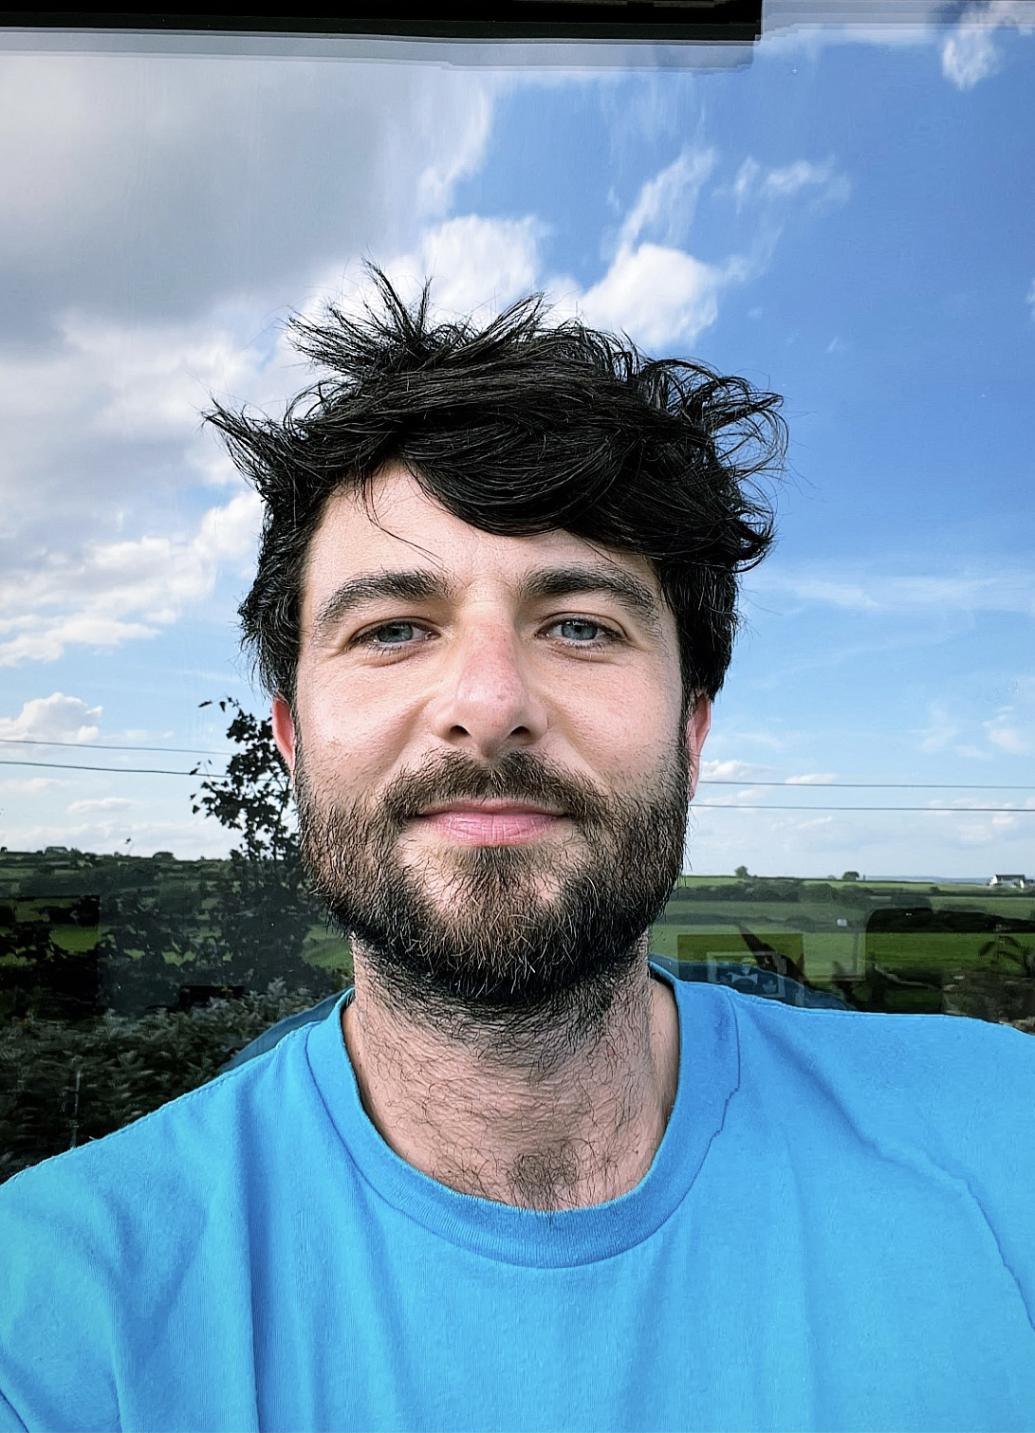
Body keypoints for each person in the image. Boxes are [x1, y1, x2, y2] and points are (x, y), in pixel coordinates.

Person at [1, 268, 1033, 1433]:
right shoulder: (54, 1308)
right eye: (392, 628)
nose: (488, 703)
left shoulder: (1009, 1141)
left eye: (580, 624)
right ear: (290, 736)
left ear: (691, 729)